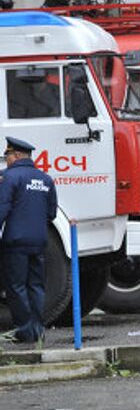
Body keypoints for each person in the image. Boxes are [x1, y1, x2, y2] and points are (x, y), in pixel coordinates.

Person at [0, 137, 57, 343]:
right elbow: (51, 213)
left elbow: (2, 208)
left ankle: (25, 331)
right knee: (36, 285)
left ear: (15, 156)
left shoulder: (9, 177)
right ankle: (38, 330)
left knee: (16, 286)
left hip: (15, 241)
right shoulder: (45, 179)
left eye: (7, 156)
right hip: (39, 240)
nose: (6, 160)